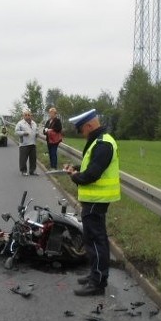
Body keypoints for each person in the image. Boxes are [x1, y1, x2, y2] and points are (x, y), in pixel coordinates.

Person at [63, 109, 120, 296]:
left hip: (97, 199)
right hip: (93, 200)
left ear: (89, 125)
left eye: (81, 130)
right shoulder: (98, 140)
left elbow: (92, 175)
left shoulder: (103, 144)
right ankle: (95, 274)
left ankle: (98, 283)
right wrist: (76, 168)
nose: (81, 133)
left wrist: (75, 176)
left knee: (96, 241)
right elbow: (91, 166)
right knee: (93, 239)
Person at [14, 109, 38, 176]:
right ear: (23, 116)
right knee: (23, 158)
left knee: (33, 158)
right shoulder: (20, 123)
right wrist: (23, 133)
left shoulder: (34, 123)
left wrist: (37, 133)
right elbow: (16, 132)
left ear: (31, 116)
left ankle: (32, 171)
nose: (27, 116)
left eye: (29, 115)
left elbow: (36, 130)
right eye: (26, 115)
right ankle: (23, 171)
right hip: (24, 143)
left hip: (33, 143)